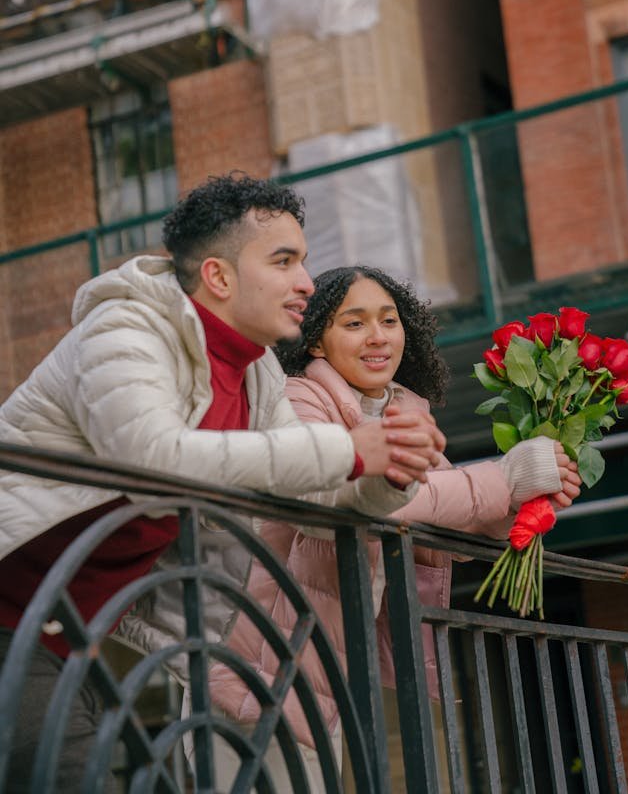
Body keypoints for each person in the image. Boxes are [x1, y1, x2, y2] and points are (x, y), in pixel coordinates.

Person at [0, 176, 444, 793]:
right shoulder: (127, 329)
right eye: (283, 261)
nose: (307, 283)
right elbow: (151, 462)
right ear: (219, 277)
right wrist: (347, 449)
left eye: (304, 262)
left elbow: (311, 492)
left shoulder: (257, 369)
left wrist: (392, 469)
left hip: (68, 632)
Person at [209, 265, 582, 791]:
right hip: (267, 665)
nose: (379, 336)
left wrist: (528, 501)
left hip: (334, 665)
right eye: (355, 323)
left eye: (389, 319)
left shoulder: (403, 407)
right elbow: (379, 501)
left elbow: (459, 515)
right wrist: (505, 478)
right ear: (316, 339)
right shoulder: (295, 400)